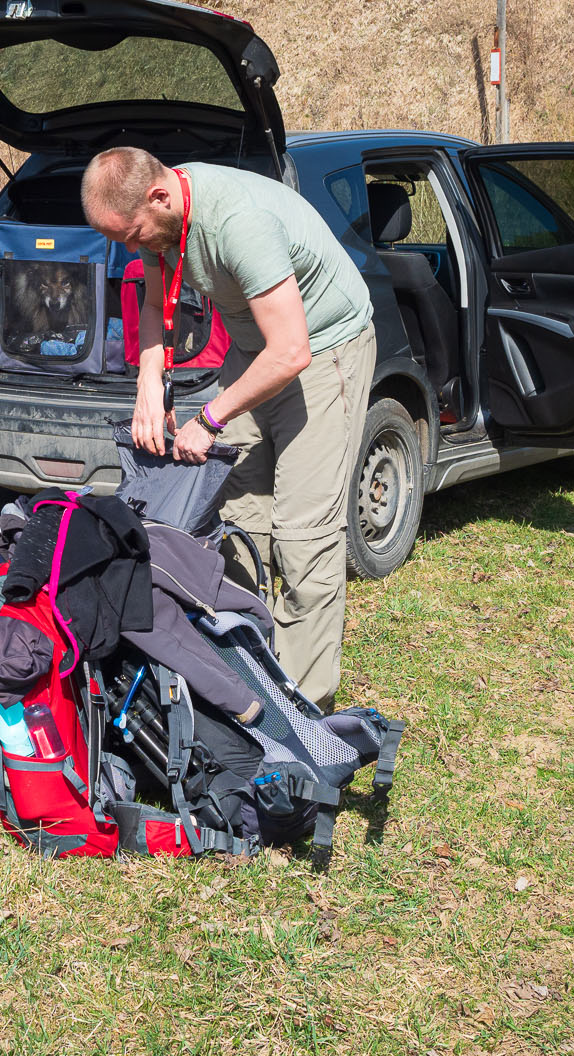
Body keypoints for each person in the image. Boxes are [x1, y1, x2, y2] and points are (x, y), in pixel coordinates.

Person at [80, 146, 374, 709]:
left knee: (302, 538)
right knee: (234, 510)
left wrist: (210, 418)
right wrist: (149, 383)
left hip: (323, 351)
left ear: (158, 197)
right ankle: (246, 673)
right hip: (253, 349)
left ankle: (302, 717)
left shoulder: (237, 223)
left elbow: (292, 351)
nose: (131, 249)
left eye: (133, 235)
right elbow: (151, 299)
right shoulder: (168, 217)